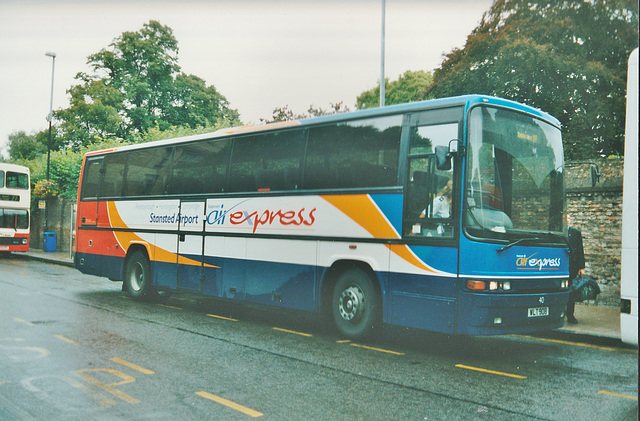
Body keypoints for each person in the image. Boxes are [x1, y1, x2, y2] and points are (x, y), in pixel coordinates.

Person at [567, 224, 585, 324]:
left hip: (572, 268)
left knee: (571, 292)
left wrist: (581, 267)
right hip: (558, 266)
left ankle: (570, 315)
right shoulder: (556, 232)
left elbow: (580, 250)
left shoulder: (575, 233)